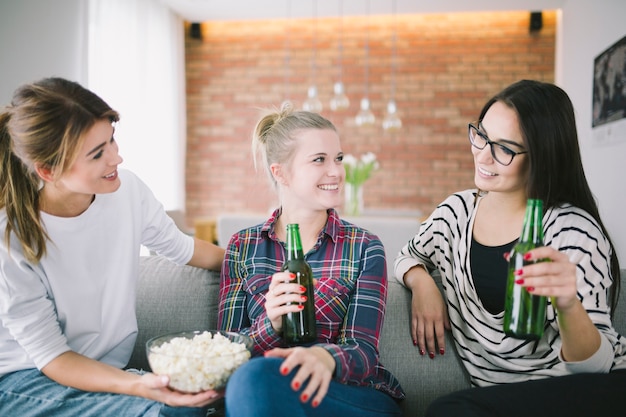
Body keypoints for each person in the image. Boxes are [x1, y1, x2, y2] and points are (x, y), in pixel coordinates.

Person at [394, 79, 626, 416]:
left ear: (542, 155)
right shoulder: (455, 213)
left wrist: (567, 303)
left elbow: (596, 366)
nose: (482, 154)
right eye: (481, 135)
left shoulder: (572, 230)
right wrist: (421, 282)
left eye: (504, 148)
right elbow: (408, 255)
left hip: (590, 389)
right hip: (501, 401)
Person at [0, 77, 225, 417]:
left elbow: (184, 249)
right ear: (47, 170)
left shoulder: (127, 191)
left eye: (112, 140)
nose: (117, 158)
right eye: (97, 153)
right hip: (26, 381)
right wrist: (137, 385)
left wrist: (265, 263)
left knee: (192, 404)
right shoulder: (12, 239)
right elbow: (53, 358)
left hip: (100, 375)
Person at [217, 104, 404, 417]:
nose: (336, 171)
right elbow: (225, 353)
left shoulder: (364, 246)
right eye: (319, 160)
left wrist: (322, 357)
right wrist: (270, 323)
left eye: (338, 158)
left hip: (345, 395)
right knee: (253, 379)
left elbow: (363, 351)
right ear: (281, 173)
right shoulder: (242, 247)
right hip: (265, 391)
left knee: (254, 380)